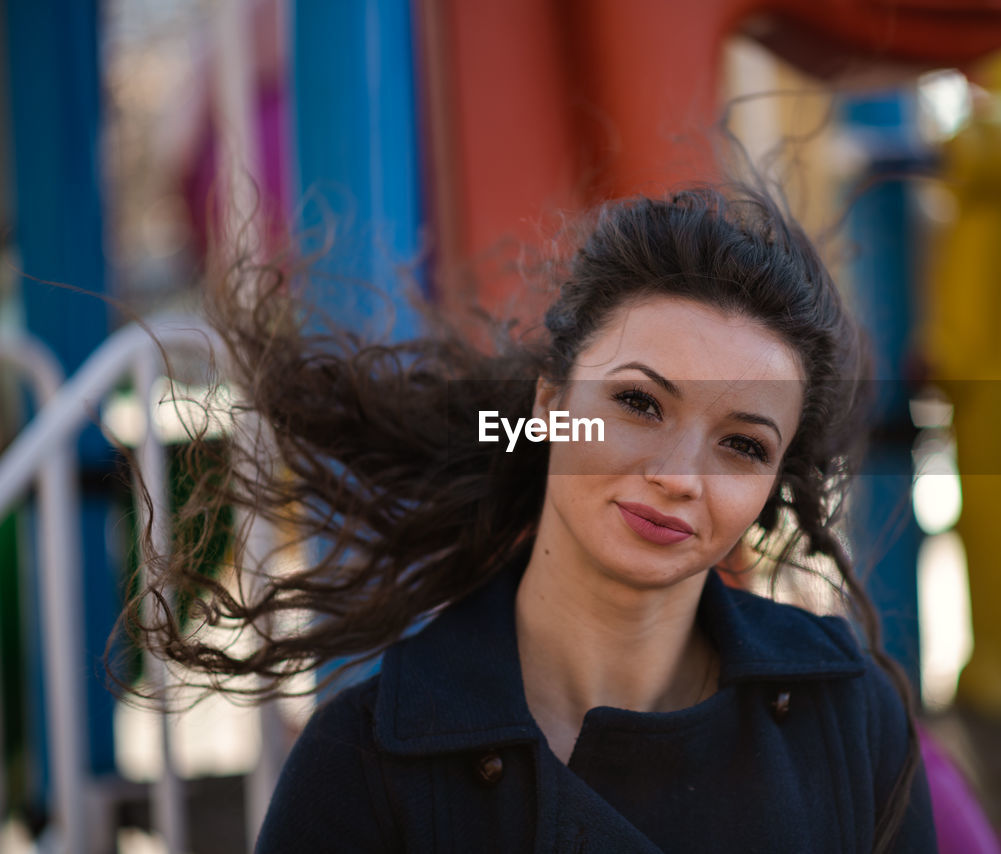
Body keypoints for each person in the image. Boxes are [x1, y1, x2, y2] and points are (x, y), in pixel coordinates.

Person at [121, 185, 937, 852]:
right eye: (638, 403)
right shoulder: (366, 760)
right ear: (549, 405)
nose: (678, 475)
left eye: (743, 446)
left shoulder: (851, 717)